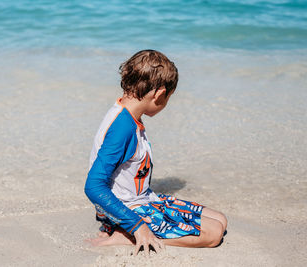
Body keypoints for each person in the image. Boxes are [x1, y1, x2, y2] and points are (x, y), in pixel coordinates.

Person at [84, 50, 227, 255]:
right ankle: (124, 236)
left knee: (220, 220)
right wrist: (137, 227)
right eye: (168, 97)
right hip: (127, 212)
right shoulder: (122, 127)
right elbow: (93, 186)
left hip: (143, 200)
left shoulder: (129, 115)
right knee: (213, 234)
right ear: (159, 94)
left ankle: (126, 228)